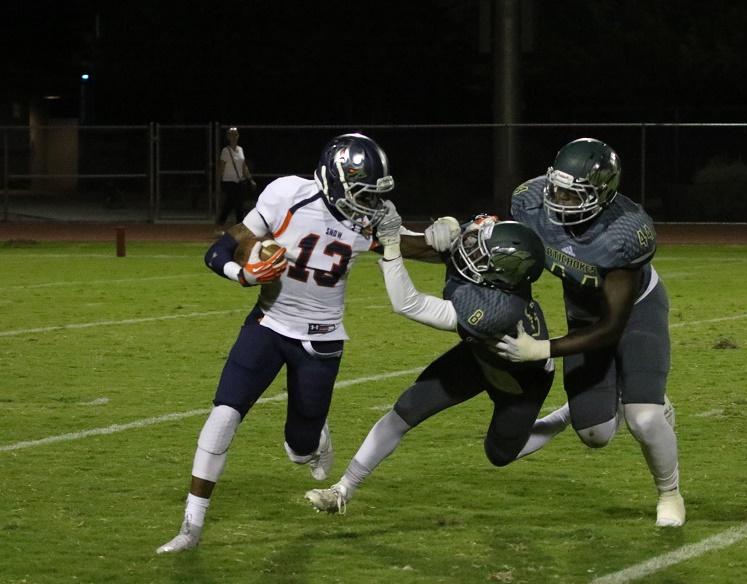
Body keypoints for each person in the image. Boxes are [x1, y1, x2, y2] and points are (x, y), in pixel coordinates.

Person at [157, 132, 423, 553]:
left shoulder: (368, 220)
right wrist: (244, 274)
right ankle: (191, 526)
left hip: (321, 341)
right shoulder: (288, 195)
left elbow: (413, 246)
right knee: (224, 414)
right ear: (333, 180)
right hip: (268, 324)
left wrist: (451, 237)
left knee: (300, 450)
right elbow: (221, 250)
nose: (368, 203)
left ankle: (314, 438)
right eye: (361, 192)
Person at [426, 138, 685, 527]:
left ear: (602, 194)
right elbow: (492, 239)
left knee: (643, 419)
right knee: (596, 434)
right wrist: (448, 230)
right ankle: (637, 398)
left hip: (634, 315)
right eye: (557, 188)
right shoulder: (532, 202)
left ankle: (670, 492)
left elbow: (613, 326)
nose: (559, 199)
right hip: (583, 317)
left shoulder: (625, 233)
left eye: (572, 193)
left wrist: (541, 349)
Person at [304, 214, 558, 514]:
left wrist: (391, 248)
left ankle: (568, 414)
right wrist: (445, 226)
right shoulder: (498, 272)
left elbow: (408, 303)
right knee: (405, 411)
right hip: (478, 357)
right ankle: (342, 489)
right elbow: (462, 234)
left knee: (499, 454)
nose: (469, 251)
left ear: (502, 275)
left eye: (479, 254)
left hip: (520, 381)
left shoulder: (497, 310)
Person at [216, 126, 257, 231]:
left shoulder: (240, 149)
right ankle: (234, 226)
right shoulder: (225, 151)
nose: (233, 137)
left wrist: (250, 179)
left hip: (240, 181)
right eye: (231, 135)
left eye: (235, 134)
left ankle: (227, 225)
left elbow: (244, 166)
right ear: (228, 137)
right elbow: (221, 167)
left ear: (238, 136)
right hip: (228, 181)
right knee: (233, 204)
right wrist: (218, 181)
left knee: (235, 204)